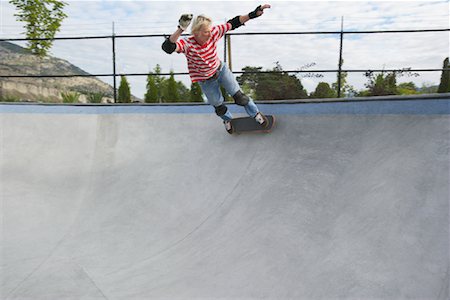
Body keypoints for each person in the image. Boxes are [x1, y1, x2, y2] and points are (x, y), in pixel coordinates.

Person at [162, 4, 271, 134]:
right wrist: (180, 29)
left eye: (210, 31)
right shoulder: (187, 44)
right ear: (196, 32)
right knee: (219, 107)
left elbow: (234, 23)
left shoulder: (213, 32)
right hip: (205, 80)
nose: (209, 34)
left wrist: (253, 14)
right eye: (206, 32)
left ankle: (256, 114)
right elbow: (168, 47)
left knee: (240, 97)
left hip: (221, 71)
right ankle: (227, 120)